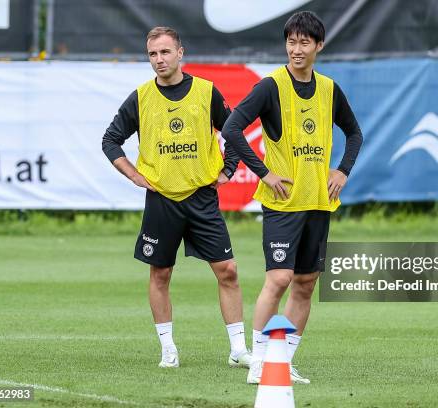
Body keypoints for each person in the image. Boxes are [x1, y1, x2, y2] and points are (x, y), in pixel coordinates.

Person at [222, 11, 363, 384]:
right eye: (291, 42)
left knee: (306, 283)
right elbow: (233, 128)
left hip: (318, 201)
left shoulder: (330, 89)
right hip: (283, 202)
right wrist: (264, 172)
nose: (296, 49)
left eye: (304, 42)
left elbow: (354, 134)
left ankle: (282, 361)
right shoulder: (271, 86)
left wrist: (342, 171)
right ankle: (258, 361)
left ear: (319, 46)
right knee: (280, 278)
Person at [102, 26, 251, 369]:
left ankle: (237, 349)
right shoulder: (140, 97)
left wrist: (228, 170)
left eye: (165, 52)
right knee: (161, 274)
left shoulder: (206, 91)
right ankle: (168, 349)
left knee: (228, 270)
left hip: (201, 198)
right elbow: (110, 140)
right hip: (162, 201)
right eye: (153, 54)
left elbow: (234, 132)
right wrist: (135, 175)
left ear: (180, 53)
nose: (159, 60)